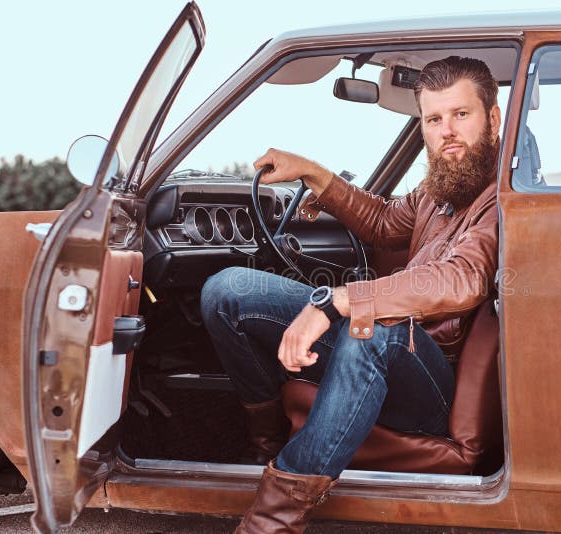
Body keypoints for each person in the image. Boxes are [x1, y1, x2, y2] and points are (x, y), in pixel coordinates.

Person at [200, 55, 501, 534]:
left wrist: (337, 301)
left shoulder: (503, 197)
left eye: (461, 115)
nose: (448, 132)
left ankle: (272, 521)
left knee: (370, 331)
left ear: (493, 118)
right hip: (390, 343)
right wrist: (314, 173)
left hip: (433, 378)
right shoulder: (439, 190)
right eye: (434, 119)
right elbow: (382, 223)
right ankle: (270, 448)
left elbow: (461, 278)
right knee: (228, 291)